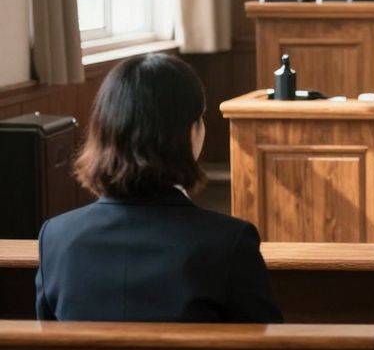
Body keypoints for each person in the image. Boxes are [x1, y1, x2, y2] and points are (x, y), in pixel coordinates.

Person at [35, 54, 282, 323]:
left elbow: (46, 340)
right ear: (191, 132)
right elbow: (266, 343)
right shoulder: (229, 242)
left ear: (103, 133)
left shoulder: (55, 238)